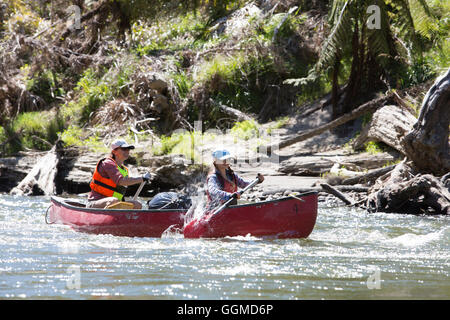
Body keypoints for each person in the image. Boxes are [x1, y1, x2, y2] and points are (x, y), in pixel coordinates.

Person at [87, 139, 151, 209]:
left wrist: (142, 179)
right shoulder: (107, 163)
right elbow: (121, 181)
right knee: (113, 201)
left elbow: (125, 182)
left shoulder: (124, 170)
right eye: (124, 149)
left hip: (116, 204)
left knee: (137, 205)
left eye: (128, 149)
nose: (127, 151)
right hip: (95, 203)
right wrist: (142, 178)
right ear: (114, 151)